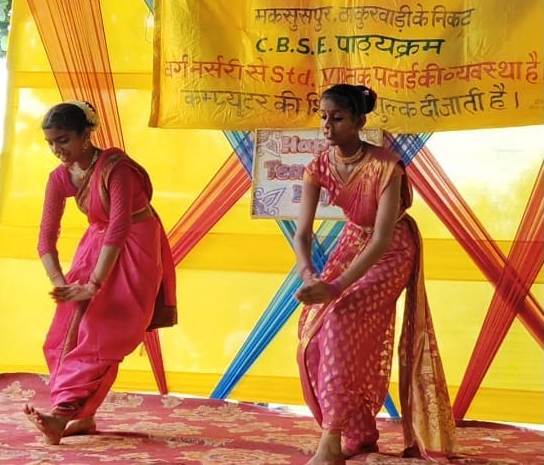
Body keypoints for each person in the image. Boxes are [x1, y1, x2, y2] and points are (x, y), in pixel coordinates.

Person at [294, 84, 456, 465]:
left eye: (337, 118)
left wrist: (335, 287)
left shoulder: (386, 166)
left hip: (392, 249)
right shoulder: (318, 166)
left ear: (359, 122)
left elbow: (381, 238)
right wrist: (308, 274)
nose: (327, 126)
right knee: (313, 334)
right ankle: (360, 432)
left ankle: (331, 440)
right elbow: (302, 233)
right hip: (352, 242)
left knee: (339, 318)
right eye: (323, 117)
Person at [23, 101, 177, 445]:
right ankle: (82, 416)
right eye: (50, 143)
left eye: (63, 140)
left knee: (102, 333)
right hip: (97, 243)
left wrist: (94, 284)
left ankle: (61, 416)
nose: (56, 149)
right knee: (63, 332)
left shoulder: (115, 169)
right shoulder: (60, 177)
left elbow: (119, 228)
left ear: (86, 135)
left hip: (135, 244)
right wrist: (61, 284)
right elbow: (45, 238)